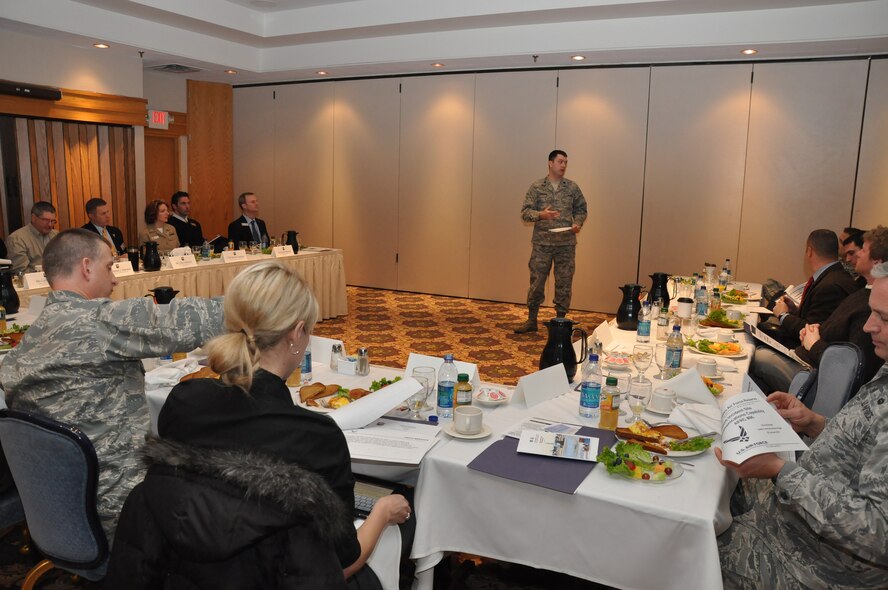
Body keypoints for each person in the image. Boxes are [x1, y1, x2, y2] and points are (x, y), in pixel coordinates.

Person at [107, 261, 408, 588]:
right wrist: (382, 513)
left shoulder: (183, 401)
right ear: (296, 333)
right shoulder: (316, 437)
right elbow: (338, 565)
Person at [0, 229, 223, 542]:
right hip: (121, 509)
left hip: (60, 508)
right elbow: (190, 321)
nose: (115, 279)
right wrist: (259, 301)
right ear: (87, 267)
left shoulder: (33, 336)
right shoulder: (95, 322)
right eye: (109, 267)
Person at [717, 260, 888, 588]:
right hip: (785, 518)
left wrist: (782, 472)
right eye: (872, 312)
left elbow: (877, 532)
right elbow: (866, 445)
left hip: (805, 564)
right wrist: (814, 423)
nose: (868, 327)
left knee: (674, 549)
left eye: (883, 317)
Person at [752, 226, 886, 392]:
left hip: (815, 375)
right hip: (810, 359)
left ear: (878, 263)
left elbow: (850, 368)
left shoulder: (869, 305)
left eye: (863, 250)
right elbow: (836, 331)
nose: (855, 254)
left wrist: (814, 343)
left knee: (755, 356)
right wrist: (814, 330)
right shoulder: (862, 291)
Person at [514, 150, 587, 333]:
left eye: (565, 163)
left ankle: (560, 321)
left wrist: (577, 223)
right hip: (542, 244)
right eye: (560, 162)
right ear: (550, 163)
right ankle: (532, 320)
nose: (563, 166)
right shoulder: (537, 187)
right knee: (537, 282)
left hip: (565, 245)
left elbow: (581, 209)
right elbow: (525, 213)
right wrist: (541, 215)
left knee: (564, 283)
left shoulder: (572, 188)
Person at [766, 229, 860, 348]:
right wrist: (795, 310)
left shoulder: (830, 286)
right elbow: (819, 319)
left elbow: (811, 331)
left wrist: (783, 315)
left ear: (809, 251)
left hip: (807, 353)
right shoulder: (836, 276)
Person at [6, 201, 58, 273]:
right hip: (32, 281)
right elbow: (21, 271)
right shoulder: (17, 239)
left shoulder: (56, 235)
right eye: (45, 220)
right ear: (33, 218)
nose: (50, 225)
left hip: (58, 280)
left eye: (52, 221)